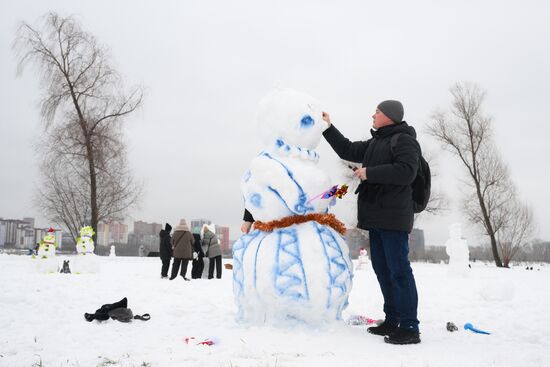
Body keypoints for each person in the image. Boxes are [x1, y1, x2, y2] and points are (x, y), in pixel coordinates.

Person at [322, 100, 421, 345]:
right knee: (383, 269)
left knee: (399, 271)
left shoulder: (405, 140)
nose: (373, 115)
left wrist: (370, 173)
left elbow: (406, 171)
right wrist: (327, 127)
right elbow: (346, 149)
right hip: (376, 217)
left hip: (394, 217)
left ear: (389, 116)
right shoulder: (375, 142)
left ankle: (409, 326)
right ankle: (392, 319)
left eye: (377, 112)